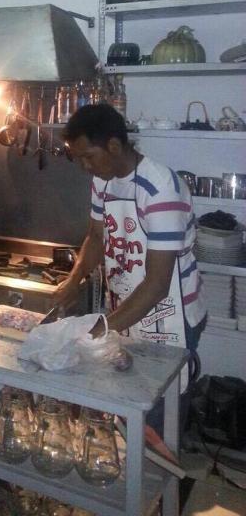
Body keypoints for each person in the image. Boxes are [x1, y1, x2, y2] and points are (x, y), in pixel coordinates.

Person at [53, 104, 206, 396]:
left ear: (113, 146)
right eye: (78, 158)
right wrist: (74, 280)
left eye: (88, 157)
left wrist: (101, 329)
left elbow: (158, 285)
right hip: (128, 309)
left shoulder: (160, 189)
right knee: (125, 397)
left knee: (159, 405)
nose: (84, 167)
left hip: (171, 315)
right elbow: (96, 237)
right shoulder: (102, 181)